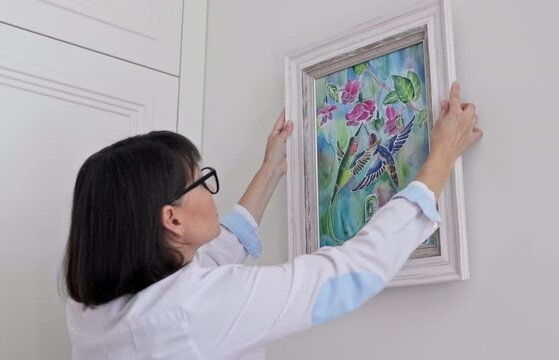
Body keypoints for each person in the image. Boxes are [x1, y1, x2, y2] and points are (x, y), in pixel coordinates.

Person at [63, 83, 482, 359]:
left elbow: (216, 252)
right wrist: (443, 153)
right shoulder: (196, 310)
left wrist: (269, 169)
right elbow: (351, 273)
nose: (212, 191)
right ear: (172, 220)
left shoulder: (89, 309)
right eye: (202, 182)